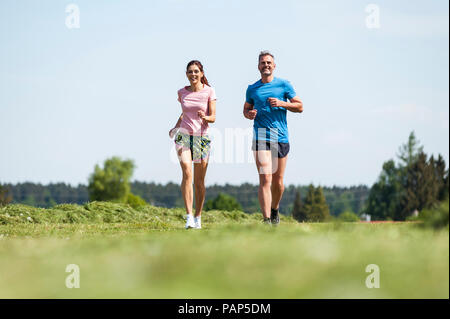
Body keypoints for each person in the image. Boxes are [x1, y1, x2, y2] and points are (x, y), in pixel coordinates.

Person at [243, 51, 303, 225]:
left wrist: (282, 103)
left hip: (280, 136)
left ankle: (275, 209)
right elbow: (246, 109)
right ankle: (266, 219)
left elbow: (300, 106)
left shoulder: (284, 85)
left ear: (274, 66)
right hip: (261, 135)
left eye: (269, 62)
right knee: (265, 178)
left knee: (278, 182)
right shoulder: (252, 88)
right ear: (258, 66)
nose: (266, 65)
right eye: (263, 63)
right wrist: (249, 114)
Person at [169, 60, 217, 229]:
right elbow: (184, 114)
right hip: (184, 136)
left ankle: (198, 216)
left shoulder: (209, 91)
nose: (193, 74)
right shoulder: (182, 92)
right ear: (187, 74)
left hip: (202, 138)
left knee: (199, 181)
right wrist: (175, 127)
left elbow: (213, 117)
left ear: (202, 73)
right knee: (187, 174)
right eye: (190, 71)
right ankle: (189, 216)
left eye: (196, 71)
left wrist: (205, 117)